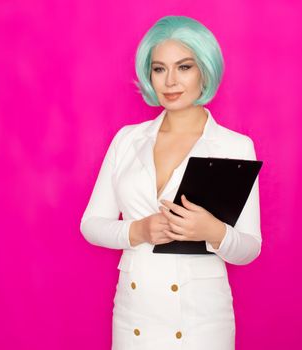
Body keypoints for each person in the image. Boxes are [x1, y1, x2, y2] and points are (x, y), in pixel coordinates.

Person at [80, 15, 262, 350]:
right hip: (135, 317)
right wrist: (139, 231)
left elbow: (250, 247)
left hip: (203, 321)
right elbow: (91, 224)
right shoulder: (127, 140)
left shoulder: (235, 146)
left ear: (204, 70)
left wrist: (212, 231)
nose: (170, 81)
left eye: (184, 67)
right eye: (159, 69)